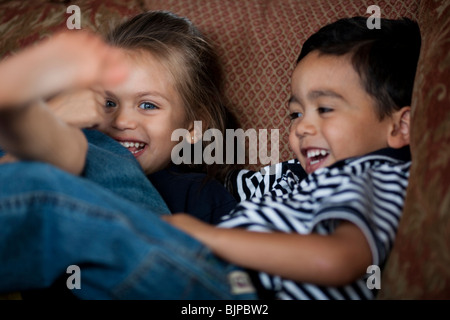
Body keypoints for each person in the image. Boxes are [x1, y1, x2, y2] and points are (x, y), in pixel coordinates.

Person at [0, 15, 420, 300]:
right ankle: (39, 126)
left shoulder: (371, 175)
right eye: (295, 113)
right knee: (82, 161)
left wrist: (197, 234)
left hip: (232, 292)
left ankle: (35, 122)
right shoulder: (288, 179)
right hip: (210, 279)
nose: (301, 127)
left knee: (66, 193)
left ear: (400, 126)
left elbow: (339, 258)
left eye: (325, 109)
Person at [0, 10, 239, 225]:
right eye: (109, 103)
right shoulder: (79, 147)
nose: (121, 121)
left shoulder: (198, 194)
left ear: (193, 126)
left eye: (147, 105)